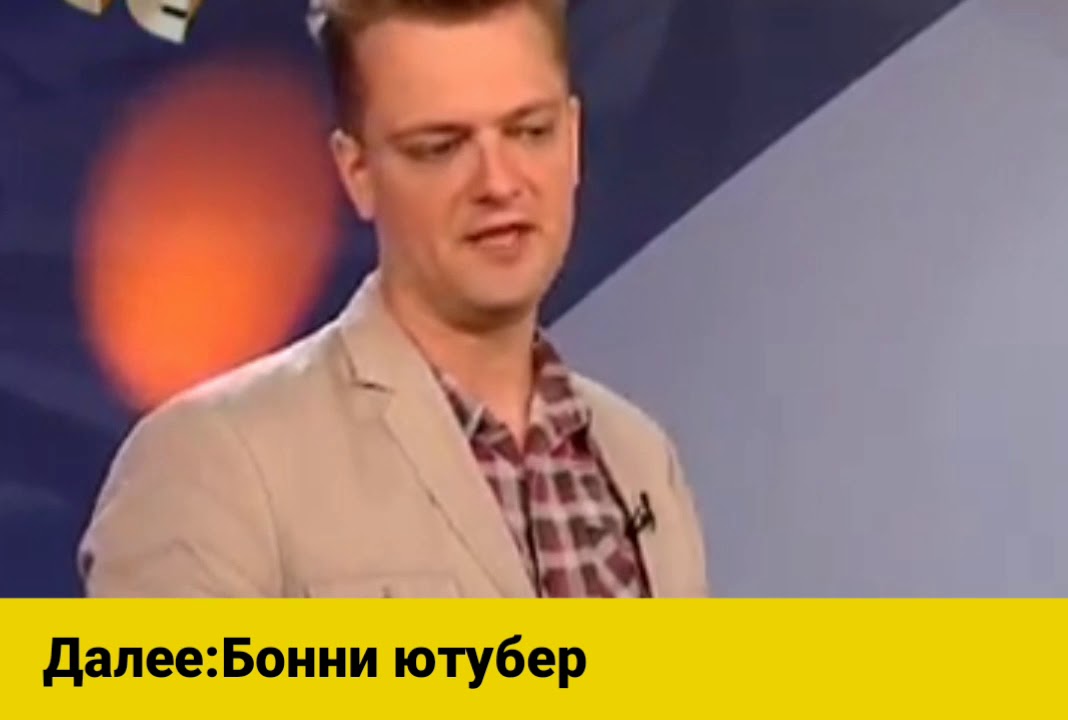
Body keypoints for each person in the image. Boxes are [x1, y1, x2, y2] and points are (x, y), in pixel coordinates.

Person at [77, 0, 708, 598]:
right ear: (358, 172)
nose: (498, 183)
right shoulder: (213, 465)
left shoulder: (642, 461)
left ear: (572, 139)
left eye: (530, 131)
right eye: (440, 147)